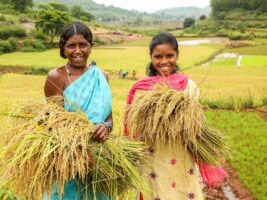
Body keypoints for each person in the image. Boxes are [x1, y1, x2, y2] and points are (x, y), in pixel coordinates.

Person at [124, 33, 204, 200]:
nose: (164, 61)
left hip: (180, 155)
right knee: (154, 192)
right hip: (152, 156)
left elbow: (196, 124)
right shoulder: (141, 89)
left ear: (177, 55)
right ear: (151, 57)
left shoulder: (189, 86)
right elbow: (132, 126)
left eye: (170, 55)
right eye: (158, 56)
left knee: (182, 192)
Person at [44, 21, 113, 200]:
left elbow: (109, 118)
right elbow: (55, 125)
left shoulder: (102, 76)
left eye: (83, 45)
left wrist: (105, 127)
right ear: (63, 48)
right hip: (68, 158)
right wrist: (81, 151)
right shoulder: (56, 77)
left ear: (91, 46)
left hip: (99, 159)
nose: (77, 50)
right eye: (71, 45)